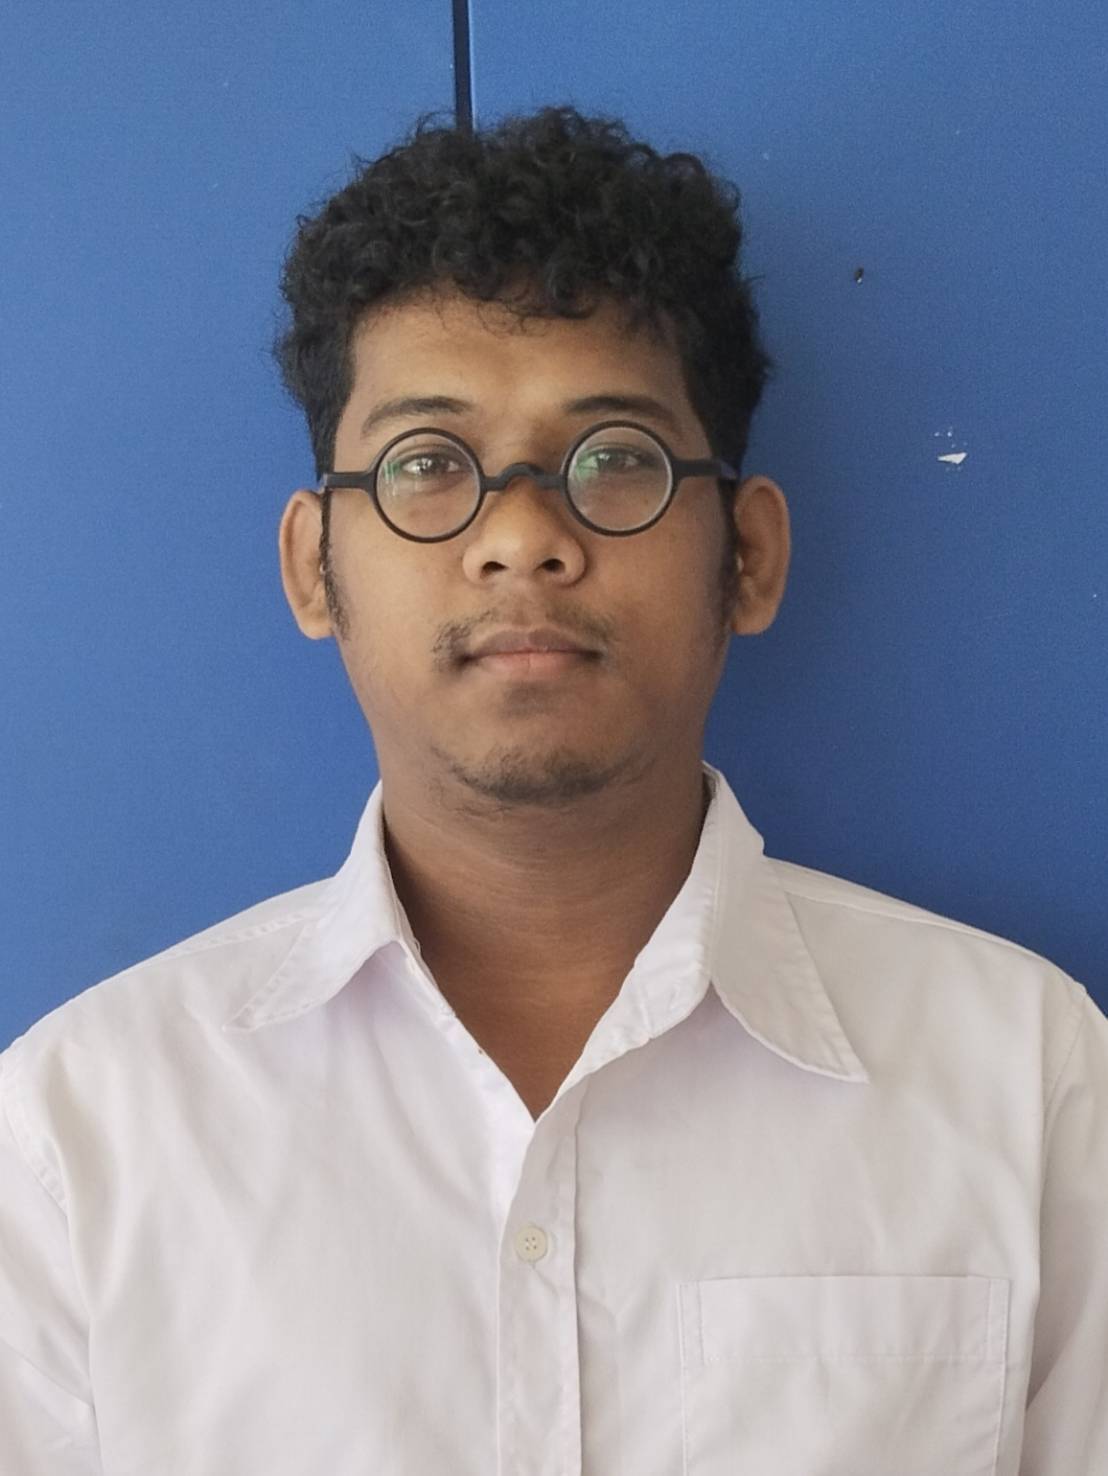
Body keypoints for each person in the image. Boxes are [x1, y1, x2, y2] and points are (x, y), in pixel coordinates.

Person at [1, 105, 1104, 1476]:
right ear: (311, 566)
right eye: (427, 465)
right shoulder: (77, 1138)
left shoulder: (1025, 1081)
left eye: (616, 458)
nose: (522, 538)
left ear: (749, 556)